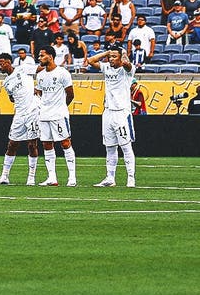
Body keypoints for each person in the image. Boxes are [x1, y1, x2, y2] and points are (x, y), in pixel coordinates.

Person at [87, 48, 137, 188]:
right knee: (110, 147)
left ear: (121, 58)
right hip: (108, 111)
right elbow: (90, 61)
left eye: (114, 57)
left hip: (122, 112)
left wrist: (124, 55)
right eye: (110, 57)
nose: (111, 59)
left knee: (126, 146)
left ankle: (131, 178)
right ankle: (110, 178)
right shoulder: (106, 68)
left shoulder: (127, 71)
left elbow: (127, 64)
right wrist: (106, 53)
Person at [0, 52, 41, 186]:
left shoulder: (23, 68)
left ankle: (31, 177)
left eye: (1, 63)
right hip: (19, 114)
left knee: (32, 144)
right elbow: (11, 98)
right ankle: (4, 176)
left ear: (8, 62)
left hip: (33, 111)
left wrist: (38, 87)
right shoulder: (6, 82)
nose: (0, 67)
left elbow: (42, 69)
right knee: (12, 144)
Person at [35, 44, 77, 186]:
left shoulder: (63, 73)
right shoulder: (40, 75)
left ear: (50, 56)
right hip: (44, 115)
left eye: (42, 55)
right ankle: (52, 177)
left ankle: (72, 177)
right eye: (39, 55)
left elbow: (70, 94)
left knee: (65, 143)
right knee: (47, 144)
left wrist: (62, 107)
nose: (39, 58)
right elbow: (39, 93)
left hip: (59, 114)